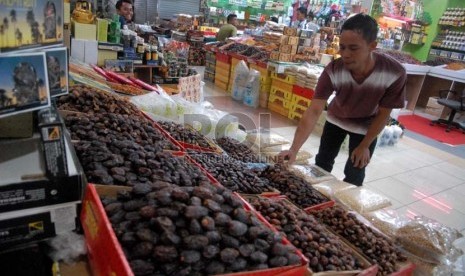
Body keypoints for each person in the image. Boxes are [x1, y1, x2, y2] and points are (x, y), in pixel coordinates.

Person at [279, 14, 406, 186]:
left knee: (355, 173)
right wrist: (293, 150)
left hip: (366, 126)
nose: (345, 54)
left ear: (372, 46)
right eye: (342, 47)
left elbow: (384, 114)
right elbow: (314, 110)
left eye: (353, 48)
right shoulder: (333, 70)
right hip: (336, 118)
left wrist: (365, 145)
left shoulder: (394, 72)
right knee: (322, 164)